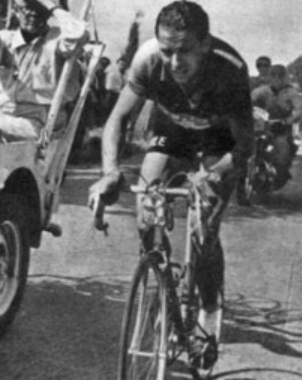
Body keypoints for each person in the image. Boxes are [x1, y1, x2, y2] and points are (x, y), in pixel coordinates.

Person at [89, 1, 253, 371]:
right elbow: (116, 120)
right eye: (168, 51)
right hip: (172, 131)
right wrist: (110, 171)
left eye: (185, 51)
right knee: (147, 207)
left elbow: (245, 148)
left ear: (205, 45)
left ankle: (209, 310)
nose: (175, 62)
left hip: (219, 143)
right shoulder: (148, 60)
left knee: (203, 228)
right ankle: (163, 290)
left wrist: (212, 175)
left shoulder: (230, 70)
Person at [0, 0, 88, 141]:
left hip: (40, 125)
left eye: (40, 9)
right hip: (0, 119)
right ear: (15, 10)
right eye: (28, 8)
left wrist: (52, 6)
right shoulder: (4, 39)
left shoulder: (58, 41)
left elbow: (79, 33)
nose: (33, 14)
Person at [251, 64, 302, 186]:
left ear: (285, 77)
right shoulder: (260, 91)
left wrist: (286, 121)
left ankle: (279, 174)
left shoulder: (292, 93)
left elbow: (299, 111)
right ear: (269, 77)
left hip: (281, 130)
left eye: (280, 76)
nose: (276, 78)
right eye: (273, 75)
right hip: (260, 128)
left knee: (282, 153)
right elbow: (247, 103)